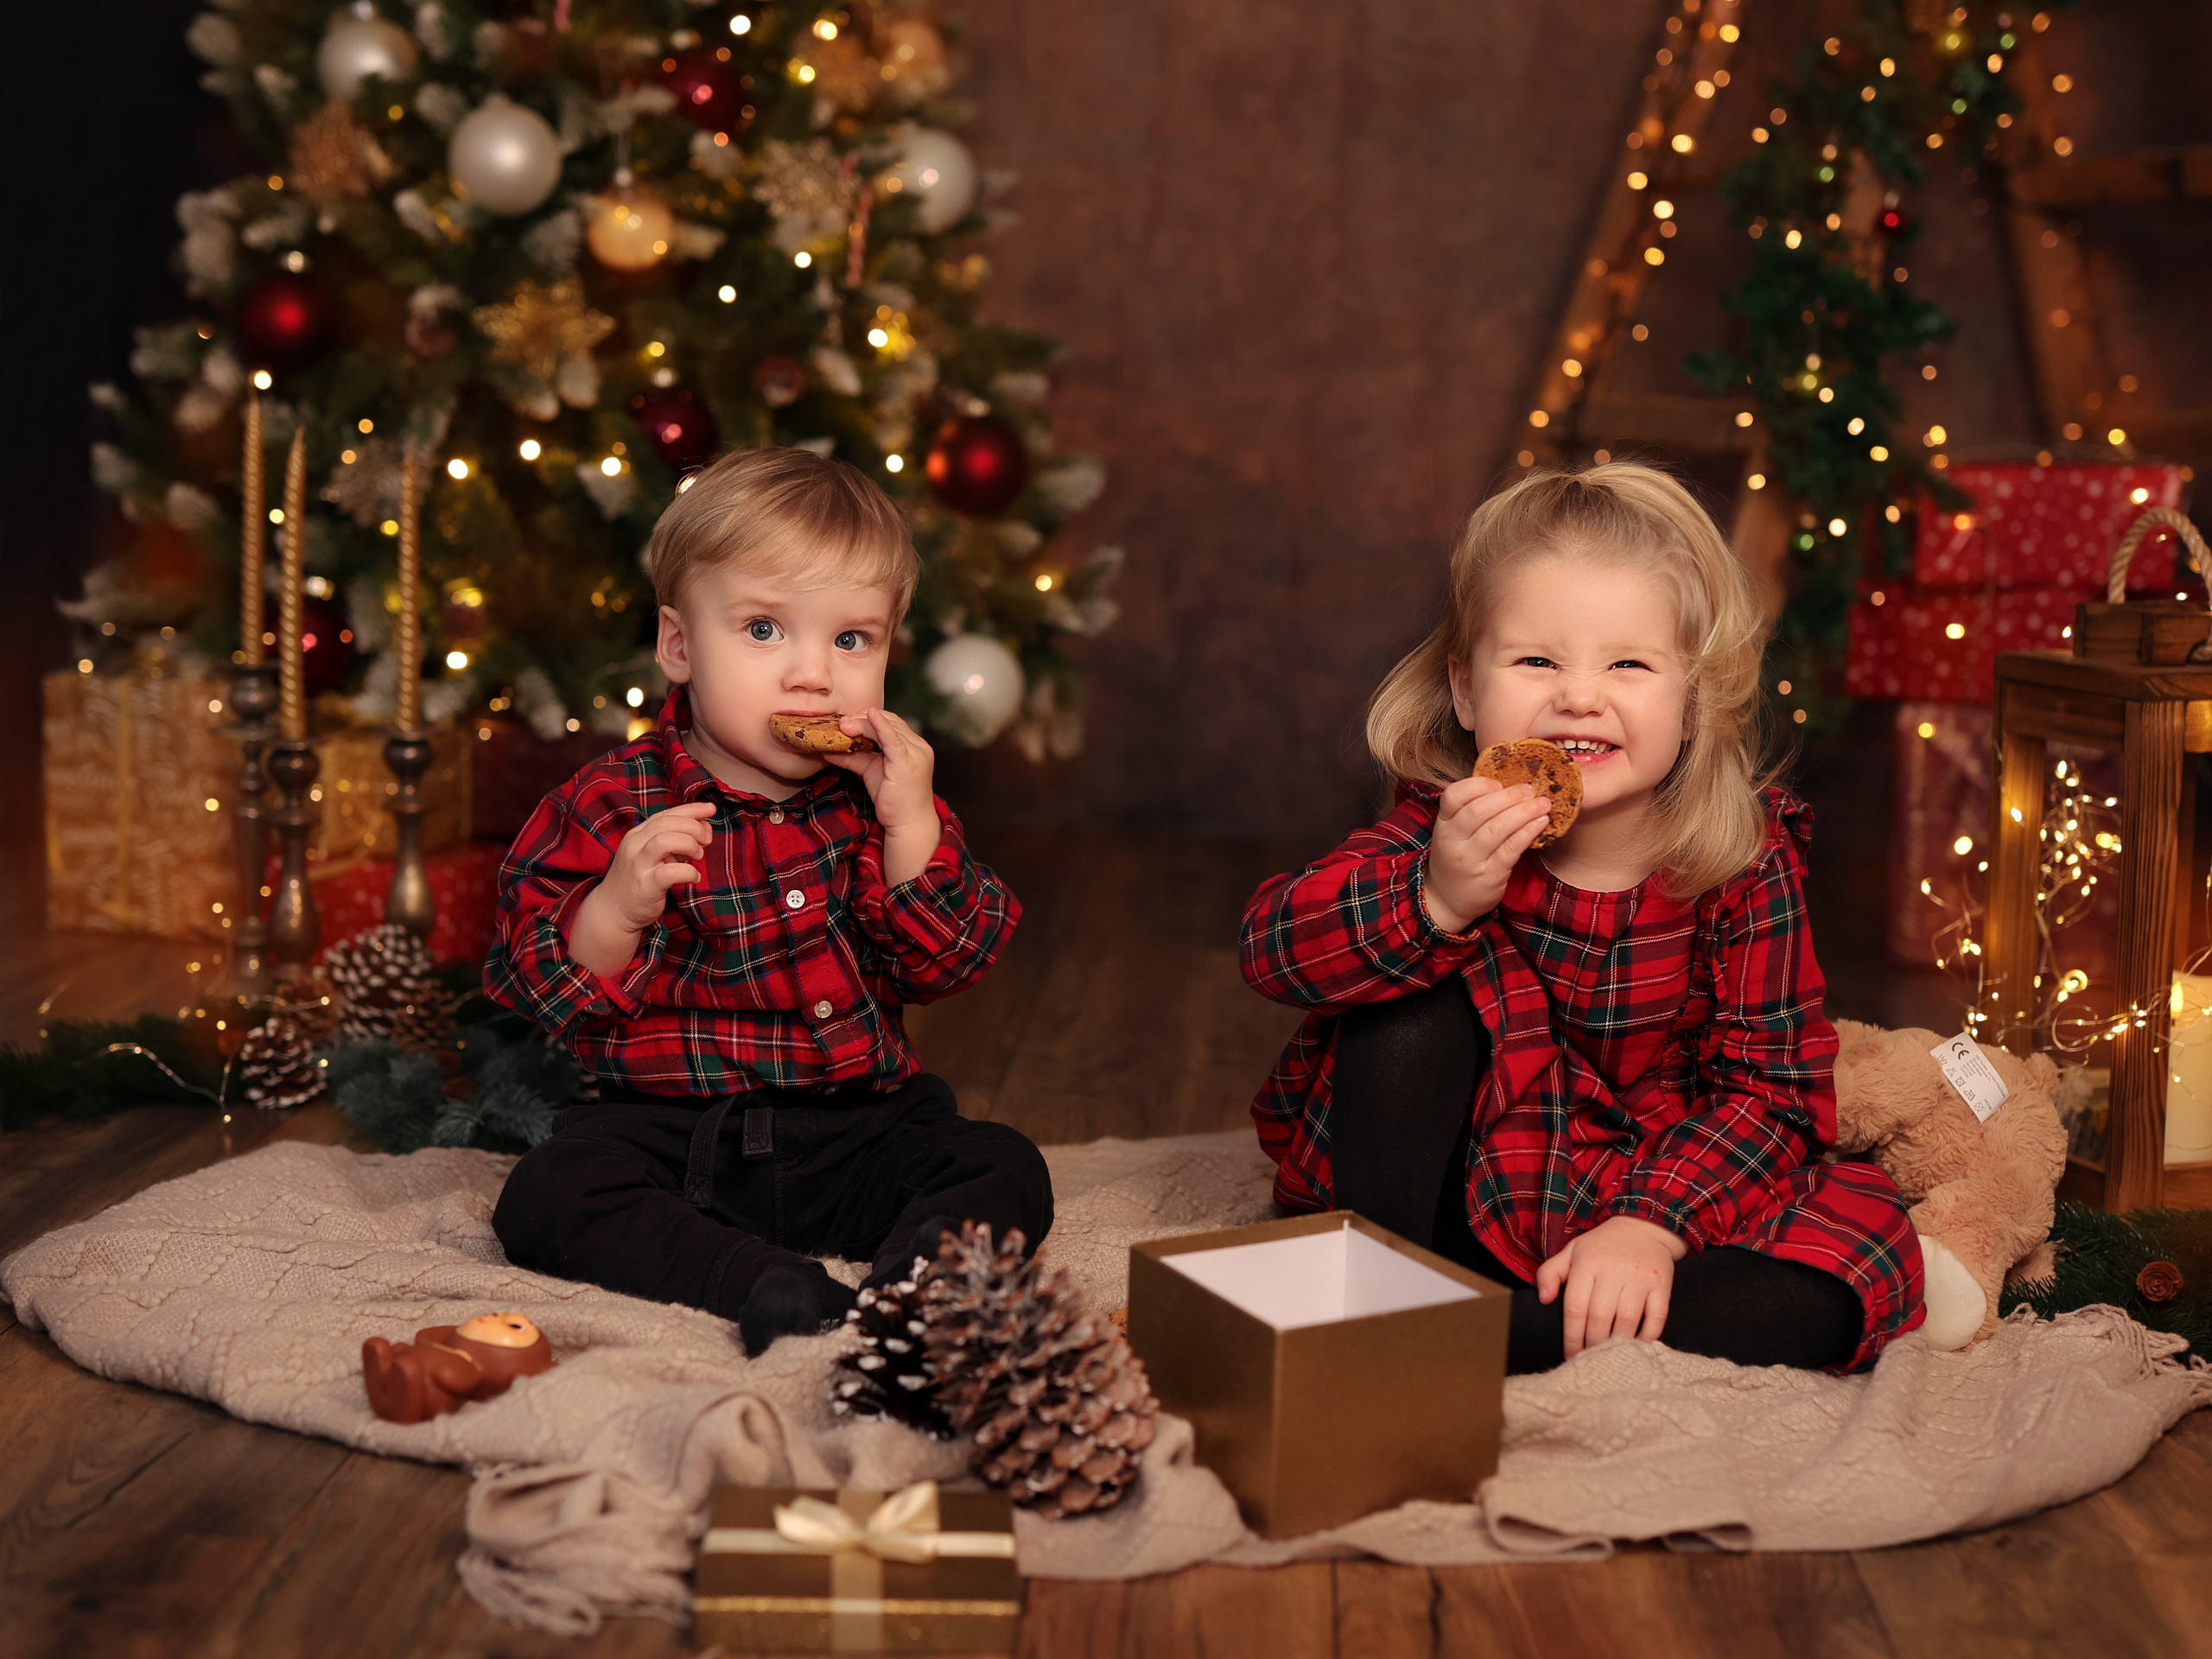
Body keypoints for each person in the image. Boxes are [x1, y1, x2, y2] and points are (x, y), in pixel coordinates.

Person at [1241, 462, 1923, 1374]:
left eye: (1628, 664)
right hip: (1463, 1183)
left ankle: (1464, 1337)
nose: (1578, 696)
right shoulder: (1446, 825)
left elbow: (1775, 1097)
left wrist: (1653, 1226)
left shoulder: (1744, 863)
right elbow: (1272, 952)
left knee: (1836, 1282)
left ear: (1692, 701)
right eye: (1536, 660)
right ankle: (1390, 1291)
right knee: (1406, 1008)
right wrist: (1436, 899)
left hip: (1651, 1180)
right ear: (1466, 690)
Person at [484, 447, 1052, 1356]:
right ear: (679, 645)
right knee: (548, 1193)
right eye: (762, 630)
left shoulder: (883, 800)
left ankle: (918, 1285)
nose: (811, 676)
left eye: (850, 640)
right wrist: (615, 909)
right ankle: (754, 1278)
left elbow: (951, 963)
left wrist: (911, 834)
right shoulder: (612, 802)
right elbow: (531, 985)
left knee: (1001, 1164)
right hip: (674, 1132)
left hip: (860, 1126)